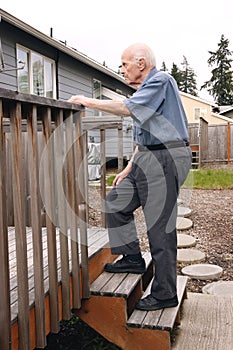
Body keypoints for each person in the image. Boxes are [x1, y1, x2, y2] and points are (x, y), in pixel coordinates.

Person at [68, 43, 192, 311]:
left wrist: (86, 101)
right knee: (116, 202)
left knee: (159, 227)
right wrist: (128, 167)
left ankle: (165, 292)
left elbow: (129, 109)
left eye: (124, 64)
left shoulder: (161, 80)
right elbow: (147, 134)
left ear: (141, 63)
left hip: (166, 157)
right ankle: (133, 257)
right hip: (147, 156)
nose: (121, 69)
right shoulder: (146, 90)